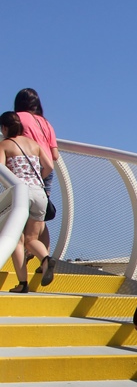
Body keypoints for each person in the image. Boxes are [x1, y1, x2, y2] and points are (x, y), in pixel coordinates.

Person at [0, 111, 55, 291]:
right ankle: (46, 259)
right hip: (39, 193)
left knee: (17, 239)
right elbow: (48, 166)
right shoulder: (34, 144)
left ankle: (23, 283)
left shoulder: (5, 145)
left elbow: (1, 171)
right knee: (32, 238)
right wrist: (36, 180)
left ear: (5, 127)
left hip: (20, 195)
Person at [14, 88, 58, 269]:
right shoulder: (46, 123)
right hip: (46, 171)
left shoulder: (18, 118)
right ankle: (44, 258)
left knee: (17, 211)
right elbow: (54, 154)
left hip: (26, 168)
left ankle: (24, 249)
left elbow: (14, 144)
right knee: (40, 216)